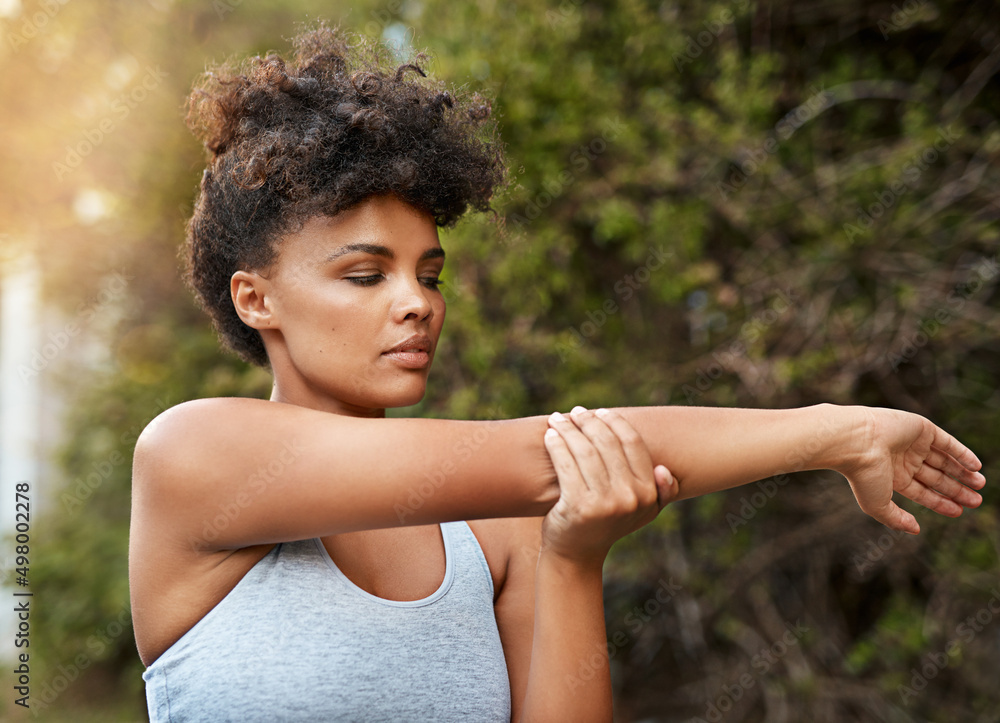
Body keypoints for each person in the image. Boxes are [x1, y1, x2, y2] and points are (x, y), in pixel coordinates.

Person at [127, 22, 986, 723]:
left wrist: (573, 556)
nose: (417, 303)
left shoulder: (497, 529)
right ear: (254, 299)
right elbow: (551, 455)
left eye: (429, 274)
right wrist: (843, 430)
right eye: (365, 274)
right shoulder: (197, 455)